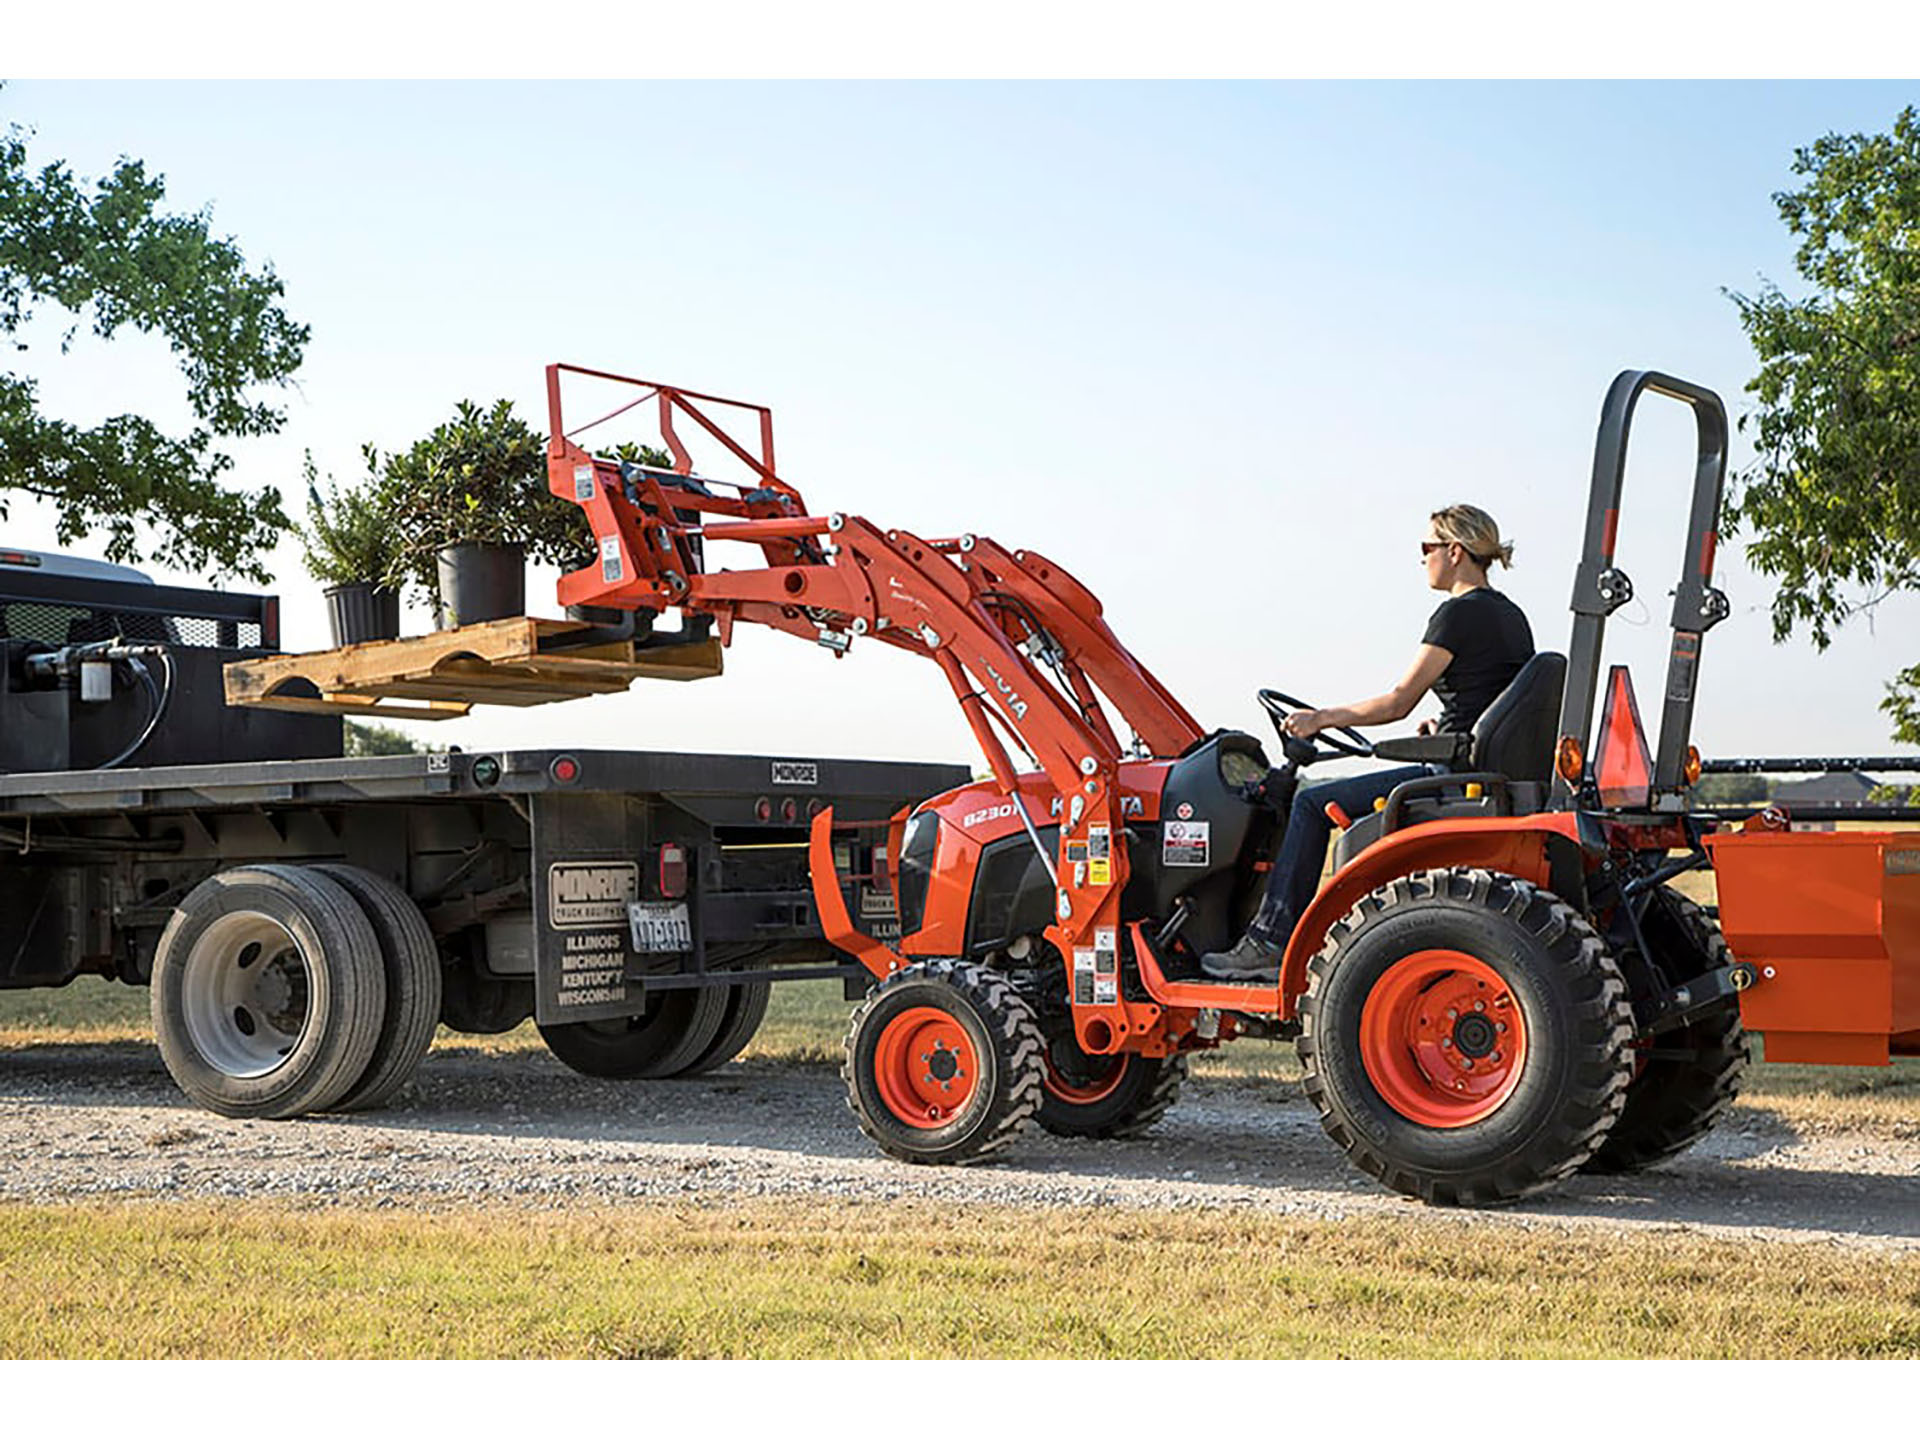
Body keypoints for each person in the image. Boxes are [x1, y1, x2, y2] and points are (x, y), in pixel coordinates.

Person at [1201, 504, 1534, 979]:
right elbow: (1494, 698)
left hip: (1451, 774)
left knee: (1312, 803)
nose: (1423, 559)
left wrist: (1321, 718)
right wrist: (1443, 727)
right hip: (1473, 766)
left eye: (1428, 547)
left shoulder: (1456, 615)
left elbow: (1397, 702)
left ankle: (1270, 941)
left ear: (1455, 551)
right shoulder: (1511, 616)